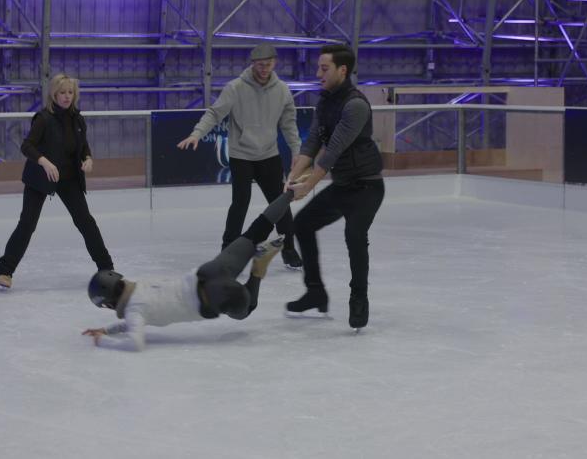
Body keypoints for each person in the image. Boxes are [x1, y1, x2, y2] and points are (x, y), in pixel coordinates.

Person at [81, 191, 294, 351]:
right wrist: (107, 329)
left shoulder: (135, 310)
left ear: (109, 304)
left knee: (246, 310)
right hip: (208, 271)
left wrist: (103, 341)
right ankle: (291, 192)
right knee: (256, 230)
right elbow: (131, 320)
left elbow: (135, 342)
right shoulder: (140, 287)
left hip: (212, 297)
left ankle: (258, 267)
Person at [176, 43, 304, 270]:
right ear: (252, 64)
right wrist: (197, 134)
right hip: (241, 156)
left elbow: (289, 124)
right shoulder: (235, 88)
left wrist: (296, 151)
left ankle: (290, 249)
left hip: (269, 155)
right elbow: (215, 113)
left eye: (268, 64)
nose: (264, 69)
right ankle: (227, 249)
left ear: (274, 63)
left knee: (280, 204)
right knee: (240, 203)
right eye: (260, 64)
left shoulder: (282, 90)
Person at [285, 44, 385, 330]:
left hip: (367, 187)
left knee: (354, 235)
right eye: (318, 67)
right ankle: (315, 291)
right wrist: (292, 178)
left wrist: (310, 184)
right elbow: (313, 143)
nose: (318, 73)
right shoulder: (325, 101)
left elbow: (333, 151)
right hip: (342, 185)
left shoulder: (355, 105)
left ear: (342, 70)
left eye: (324, 68)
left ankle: (359, 298)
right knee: (302, 224)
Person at [0, 74, 114, 290]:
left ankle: (106, 268)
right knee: (27, 224)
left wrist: (88, 158)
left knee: (86, 222)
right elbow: (27, 146)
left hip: (68, 179)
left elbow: (83, 146)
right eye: (62, 92)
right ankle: (4, 271)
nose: (67, 97)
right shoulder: (44, 118)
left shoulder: (77, 119)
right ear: (54, 94)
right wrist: (44, 162)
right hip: (40, 178)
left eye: (70, 92)